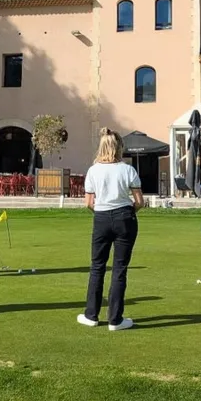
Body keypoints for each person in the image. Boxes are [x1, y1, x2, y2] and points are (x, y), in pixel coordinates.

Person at [77, 128, 144, 331]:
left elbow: (89, 202)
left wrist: (104, 213)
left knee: (97, 266)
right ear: (119, 147)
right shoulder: (128, 170)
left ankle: (91, 315)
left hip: (102, 218)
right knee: (119, 269)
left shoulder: (93, 170)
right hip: (125, 217)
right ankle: (115, 320)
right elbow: (139, 201)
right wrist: (127, 212)